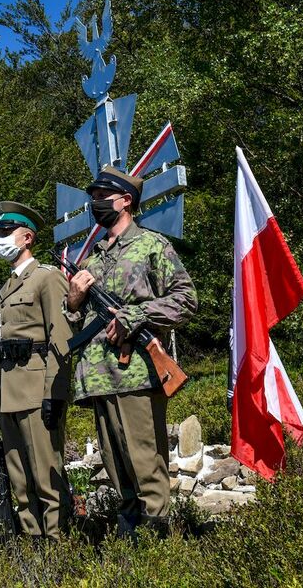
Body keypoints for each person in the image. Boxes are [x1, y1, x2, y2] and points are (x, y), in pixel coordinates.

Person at [65, 166, 197, 537]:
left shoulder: (151, 246)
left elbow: (186, 300)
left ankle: (157, 544)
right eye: (92, 197)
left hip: (137, 374)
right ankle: (129, 544)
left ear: (125, 201)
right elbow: (76, 321)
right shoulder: (92, 260)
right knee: (116, 465)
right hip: (99, 378)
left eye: (101, 196)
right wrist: (73, 300)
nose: (95, 203)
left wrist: (136, 314)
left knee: (146, 464)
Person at [0, 201, 72, 540]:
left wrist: (57, 392)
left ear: (27, 237)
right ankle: (32, 540)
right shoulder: (2, 290)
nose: (0, 239)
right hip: (7, 392)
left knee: (46, 474)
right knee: (19, 477)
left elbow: (61, 338)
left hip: (38, 390)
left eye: (6, 233)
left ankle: (58, 542)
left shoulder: (46, 277)